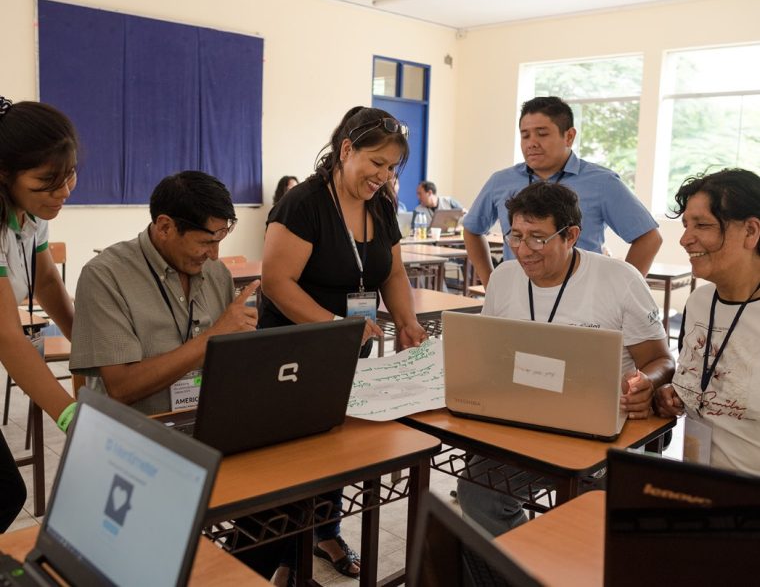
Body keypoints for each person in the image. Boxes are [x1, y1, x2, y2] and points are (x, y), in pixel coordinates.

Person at [260, 105, 428, 583]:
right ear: (346, 149)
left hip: (346, 347)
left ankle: (325, 532)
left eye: (392, 167)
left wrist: (407, 322)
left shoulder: (380, 204)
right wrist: (336, 325)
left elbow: (391, 271)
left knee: (334, 444)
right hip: (292, 349)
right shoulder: (304, 203)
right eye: (376, 163)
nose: (384, 175)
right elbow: (277, 282)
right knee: (295, 457)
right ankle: (284, 561)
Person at [457, 181, 674, 536]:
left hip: (599, 433)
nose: (523, 250)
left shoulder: (619, 280)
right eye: (515, 236)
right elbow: (490, 353)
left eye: (537, 238)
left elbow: (661, 360)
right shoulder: (504, 278)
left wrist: (646, 382)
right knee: (478, 496)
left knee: (588, 521)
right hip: (524, 422)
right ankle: (525, 569)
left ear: (570, 235)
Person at [70, 170, 258, 416]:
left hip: (206, 421)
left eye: (220, 239)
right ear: (165, 227)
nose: (214, 255)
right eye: (205, 242)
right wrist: (213, 336)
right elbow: (121, 387)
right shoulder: (105, 276)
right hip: (135, 436)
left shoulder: (216, 273)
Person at [463, 96, 662, 287]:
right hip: (519, 295)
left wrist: (620, 291)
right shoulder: (501, 181)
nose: (531, 142)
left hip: (583, 298)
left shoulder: (602, 182)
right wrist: (491, 283)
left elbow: (649, 238)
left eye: (542, 134)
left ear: (569, 136)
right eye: (525, 135)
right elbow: (472, 230)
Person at [0, 96, 78, 531]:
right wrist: (68, 415)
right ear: (4, 176)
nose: (63, 193)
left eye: (69, 176)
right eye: (47, 182)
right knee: (6, 493)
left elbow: (46, 282)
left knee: (6, 493)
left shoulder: (30, 214)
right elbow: (7, 336)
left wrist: (89, 348)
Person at [655, 168, 760, 475]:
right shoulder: (699, 303)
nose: (686, 239)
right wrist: (673, 394)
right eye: (686, 225)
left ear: (751, 232)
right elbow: (701, 386)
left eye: (703, 225)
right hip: (697, 492)